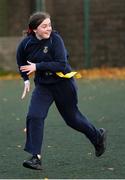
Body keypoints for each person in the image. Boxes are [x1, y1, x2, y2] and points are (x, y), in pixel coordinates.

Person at [16, 11, 107, 170]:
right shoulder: (26, 44)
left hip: (63, 84)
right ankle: (35, 157)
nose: (49, 28)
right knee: (34, 115)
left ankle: (97, 137)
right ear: (34, 29)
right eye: (44, 26)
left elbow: (61, 65)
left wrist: (37, 66)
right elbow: (21, 61)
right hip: (44, 85)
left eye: (50, 25)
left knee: (72, 119)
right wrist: (25, 80)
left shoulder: (56, 40)